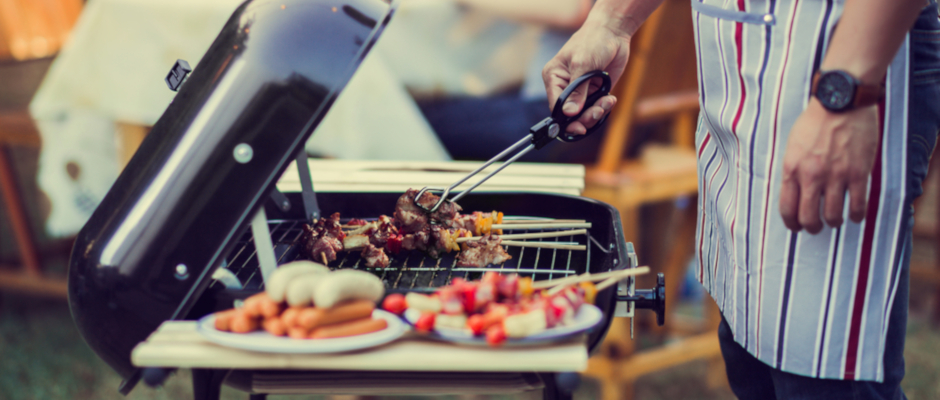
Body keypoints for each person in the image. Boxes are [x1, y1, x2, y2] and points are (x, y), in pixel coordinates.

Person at [543, 0, 940, 398]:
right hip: (737, 63)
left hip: (839, 60)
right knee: (749, 357)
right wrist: (612, 21)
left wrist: (847, 91)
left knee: (818, 369)